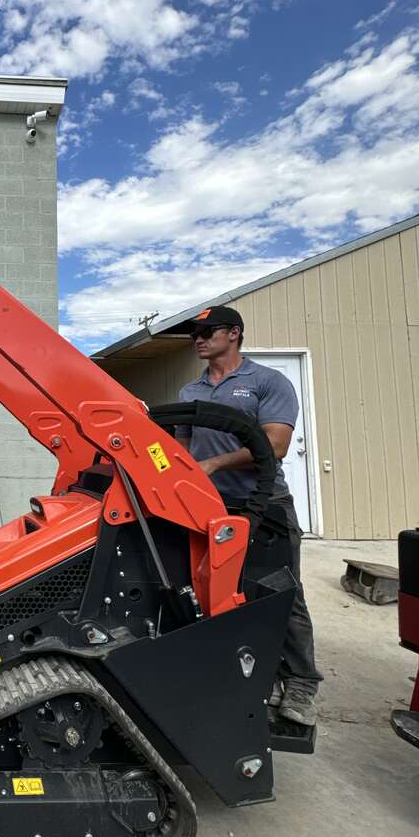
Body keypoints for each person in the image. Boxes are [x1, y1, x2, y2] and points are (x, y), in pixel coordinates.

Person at [177, 305, 321, 727]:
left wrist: (216, 465)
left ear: (234, 333)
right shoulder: (190, 393)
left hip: (265, 506)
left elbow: (274, 445)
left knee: (281, 592)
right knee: (210, 590)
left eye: (208, 331)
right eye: (195, 333)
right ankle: (231, 671)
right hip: (208, 509)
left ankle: (300, 684)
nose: (198, 338)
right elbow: (184, 454)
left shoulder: (266, 382)